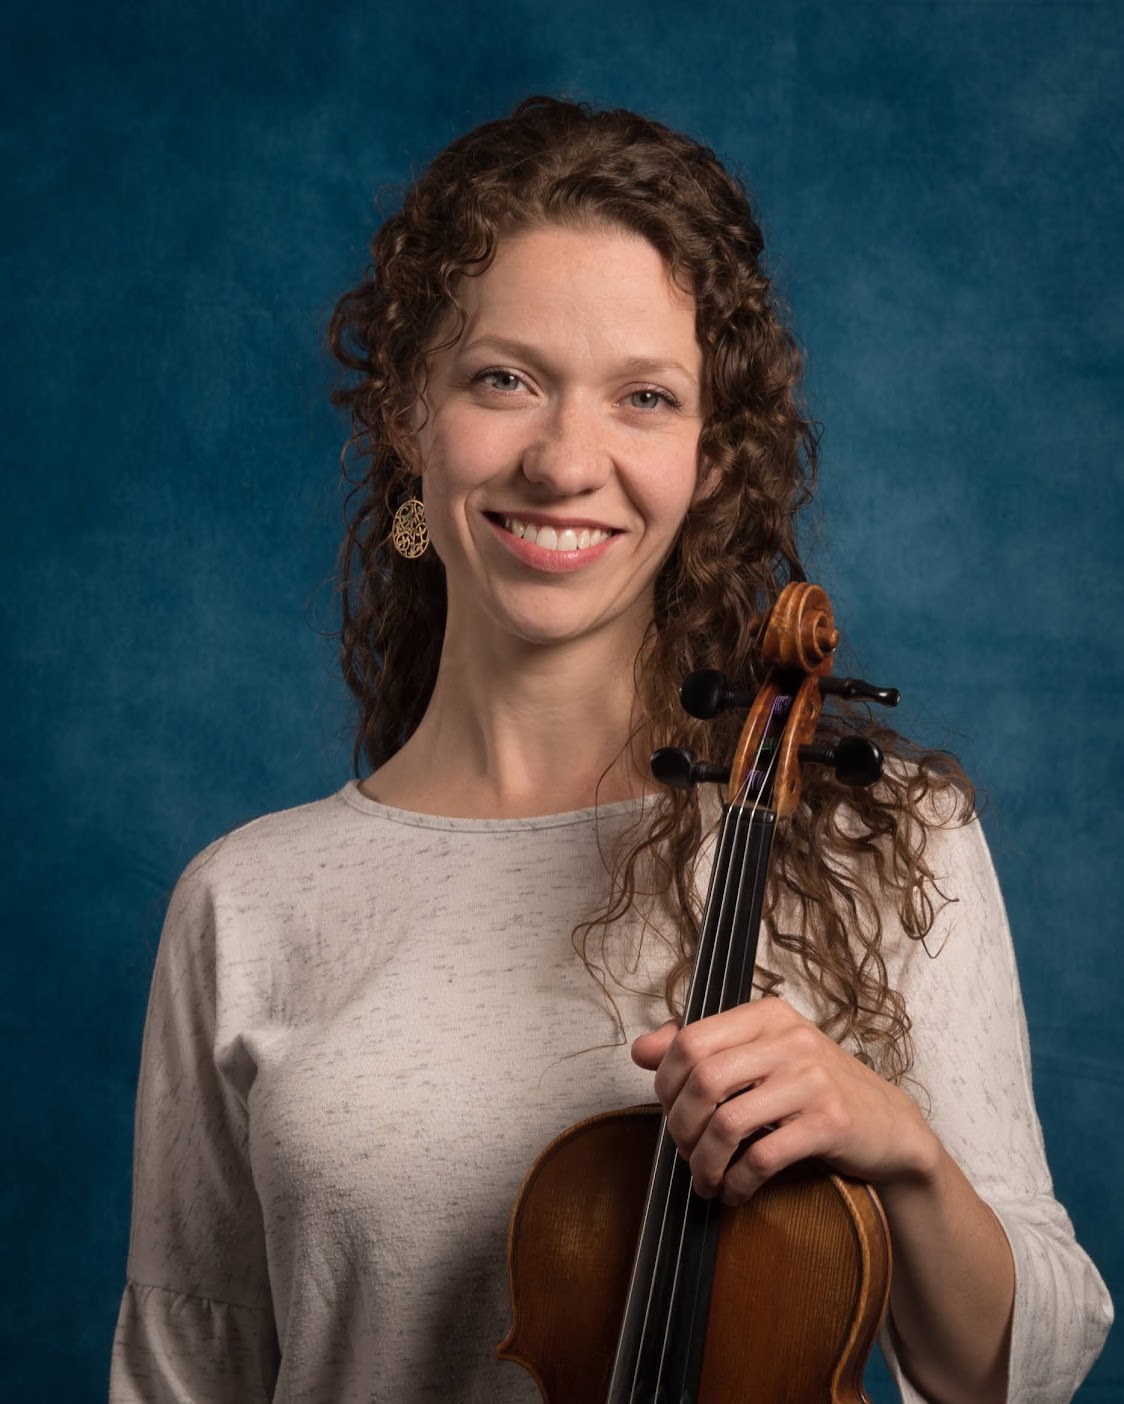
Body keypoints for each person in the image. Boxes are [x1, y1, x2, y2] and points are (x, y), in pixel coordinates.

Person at [109, 95, 1111, 1403]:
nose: (567, 459)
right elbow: (184, 1373)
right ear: (411, 414)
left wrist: (900, 1152)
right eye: (504, 380)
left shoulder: (884, 835)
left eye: (644, 397)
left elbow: (1020, 1370)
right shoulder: (245, 904)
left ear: (708, 456)